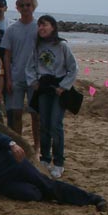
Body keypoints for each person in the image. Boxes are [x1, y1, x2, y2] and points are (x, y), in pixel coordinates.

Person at [25, 15, 78, 178]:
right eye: (39, 25)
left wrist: (63, 87)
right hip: (43, 88)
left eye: (45, 25)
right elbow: (30, 66)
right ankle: (45, 159)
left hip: (58, 88)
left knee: (56, 124)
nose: (41, 28)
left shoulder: (62, 46)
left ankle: (59, 163)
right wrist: (34, 82)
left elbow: (73, 68)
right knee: (44, 124)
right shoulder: (37, 46)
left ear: (53, 27)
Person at [1, 0, 40, 154]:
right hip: (16, 77)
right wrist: (8, 79)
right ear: (17, 7)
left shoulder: (39, 27)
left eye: (28, 5)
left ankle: (37, 147)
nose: (25, 8)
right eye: (22, 5)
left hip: (35, 79)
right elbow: (7, 56)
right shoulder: (11, 29)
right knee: (15, 113)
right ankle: (18, 146)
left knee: (35, 115)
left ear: (33, 6)